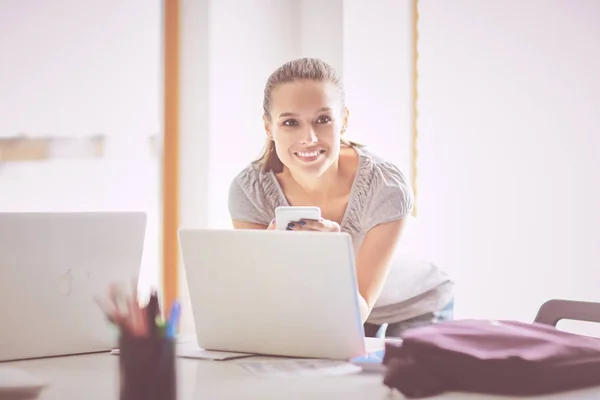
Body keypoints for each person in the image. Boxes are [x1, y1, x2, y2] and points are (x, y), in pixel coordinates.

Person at [228, 57, 454, 338]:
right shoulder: (250, 191)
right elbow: (265, 302)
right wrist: (272, 258)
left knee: (402, 379)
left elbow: (356, 314)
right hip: (332, 308)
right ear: (268, 127)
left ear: (344, 120)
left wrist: (331, 259)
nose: (309, 137)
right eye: (290, 122)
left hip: (412, 304)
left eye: (323, 119)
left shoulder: (385, 187)